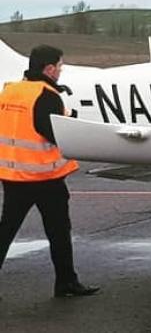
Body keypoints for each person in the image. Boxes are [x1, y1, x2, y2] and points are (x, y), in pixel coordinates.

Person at [0, 45, 99, 298]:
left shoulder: (10, 90)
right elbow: (52, 132)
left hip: (13, 176)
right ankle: (66, 282)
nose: (61, 71)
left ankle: (67, 281)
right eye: (60, 66)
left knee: (6, 231)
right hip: (45, 178)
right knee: (58, 232)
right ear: (49, 68)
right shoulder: (47, 95)